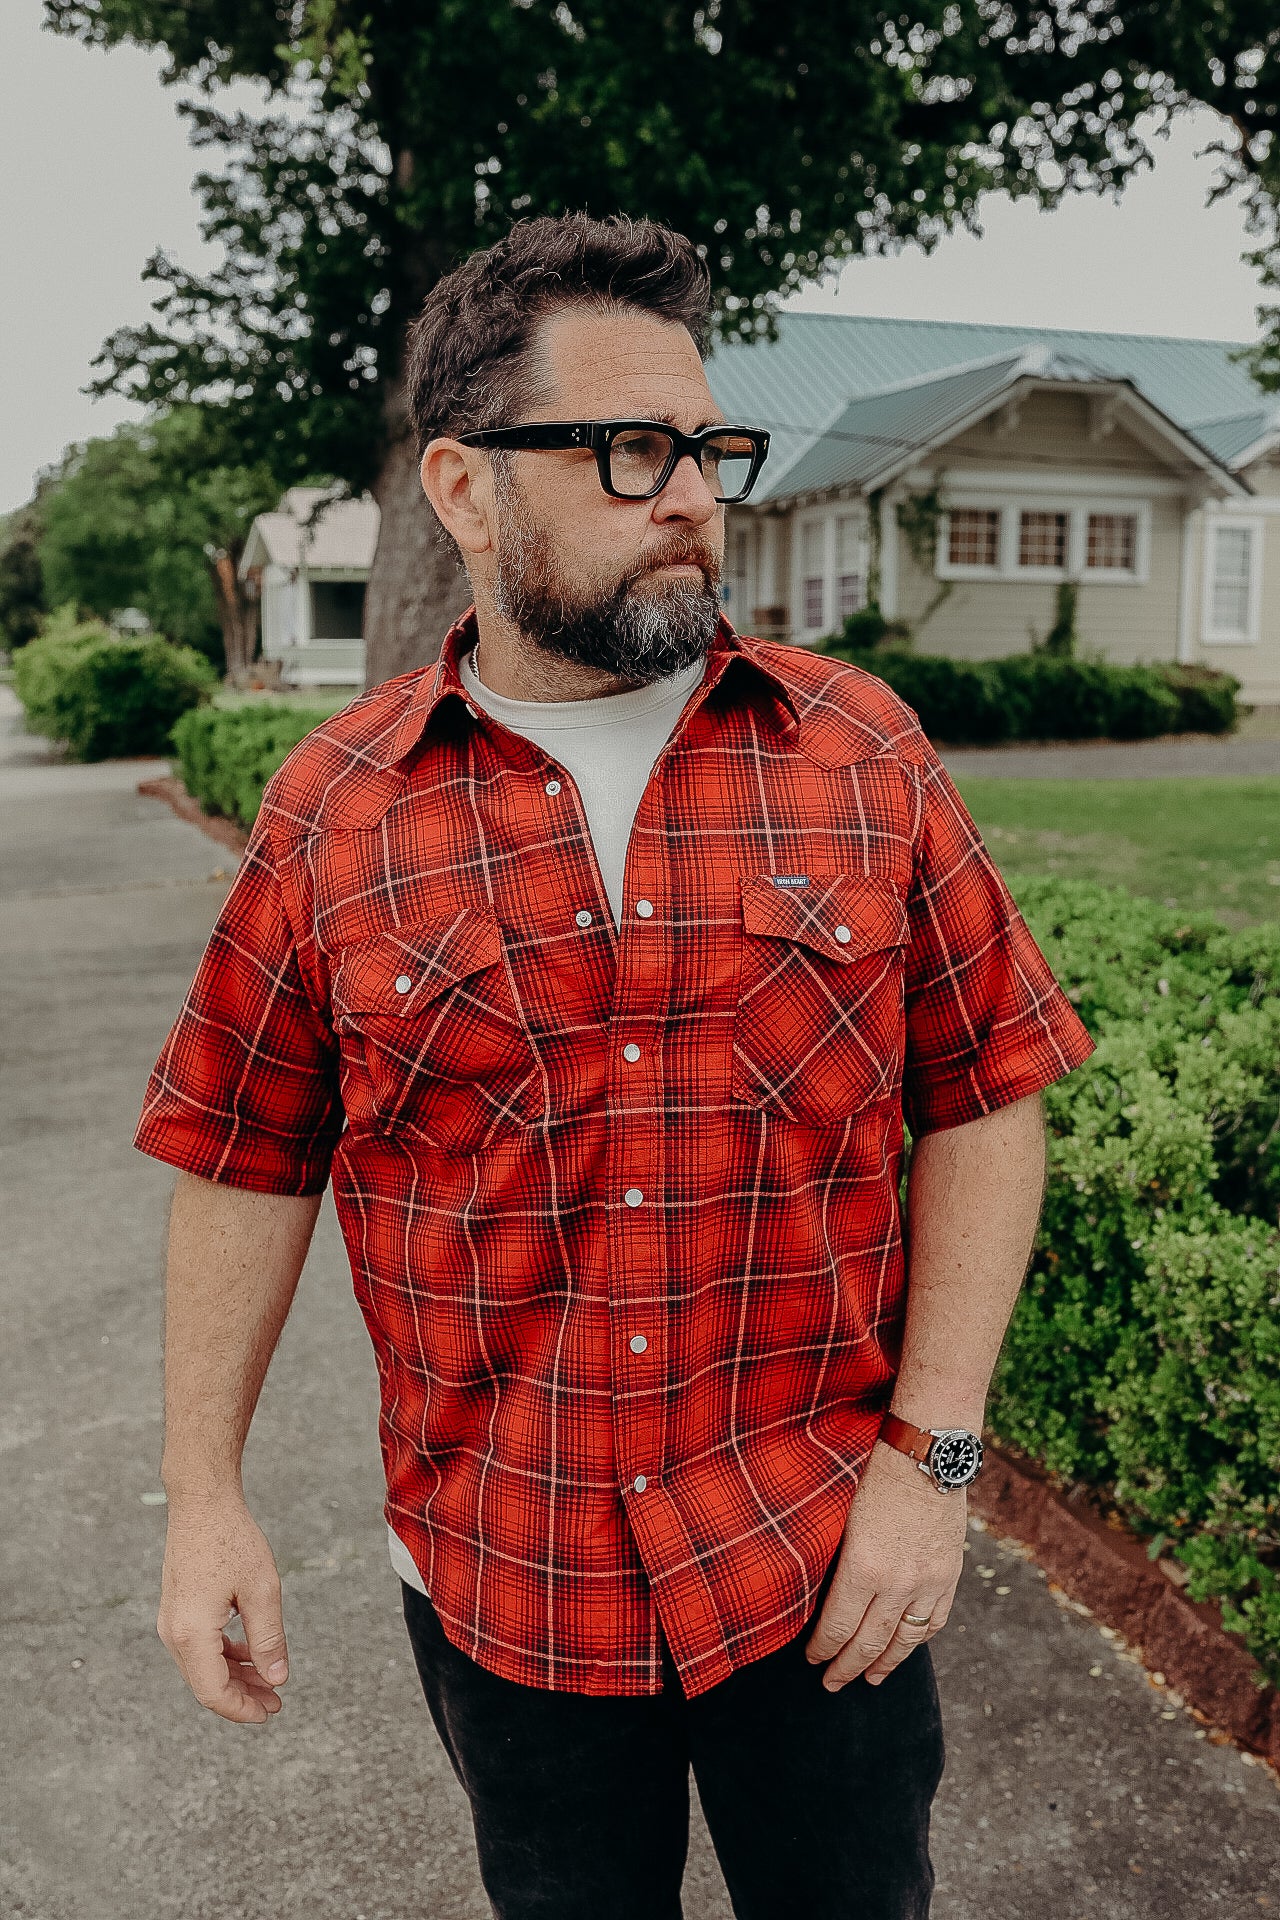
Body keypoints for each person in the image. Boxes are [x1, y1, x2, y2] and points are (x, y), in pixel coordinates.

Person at [135, 211, 1094, 1920]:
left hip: (828, 1572)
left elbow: (988, 1092)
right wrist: (203, 1496)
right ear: (461, 487)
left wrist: (935, 1462)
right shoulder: (335, 810)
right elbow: (247, 1153)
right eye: (630, 450)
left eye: (708, 447)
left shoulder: (857, 748)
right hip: (510, 1587)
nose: (693, 496)